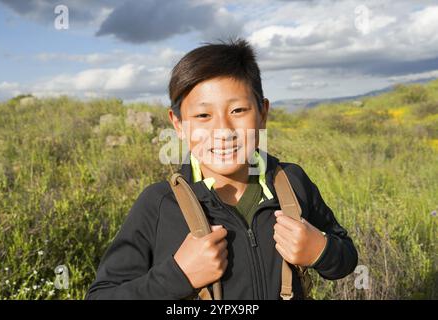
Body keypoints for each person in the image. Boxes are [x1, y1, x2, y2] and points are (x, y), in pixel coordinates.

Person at [86, 38, 358, 300]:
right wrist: (178, 275)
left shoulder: (291, 182)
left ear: (263, 113)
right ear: (178, 124)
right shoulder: (158, 205)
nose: (224, 132)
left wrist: (321, 251)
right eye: (203, 116)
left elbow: (345, 256)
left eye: (238, 110)